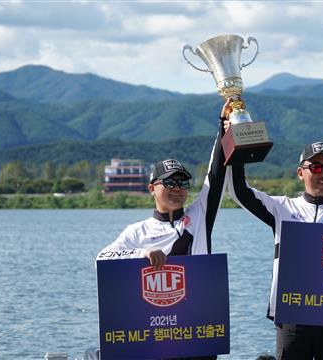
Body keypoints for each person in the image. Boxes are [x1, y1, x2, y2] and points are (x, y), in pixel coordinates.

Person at [224, 114, 323, 360]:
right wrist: (232, 139)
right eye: (315, 167)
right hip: (292, 314)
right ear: (300, 172)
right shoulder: (282, 208)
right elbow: (238, 191)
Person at [96, 103, 228, 360]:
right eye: (169, 181)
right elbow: (102, 259)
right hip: (155, 335)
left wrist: (223, 125)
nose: (177, 188)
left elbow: (216, 174)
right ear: (151, 188)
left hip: (196, 330)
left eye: (182, 182)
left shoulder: (199, 216)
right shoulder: (136, 231)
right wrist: (143, 253)